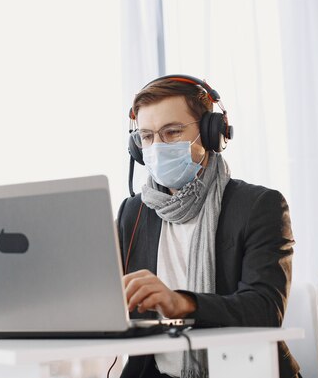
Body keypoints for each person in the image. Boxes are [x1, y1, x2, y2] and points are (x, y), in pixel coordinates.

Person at [117, 75, 300, 378]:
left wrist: (182, 303)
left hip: (244, 371)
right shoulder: (133, 213)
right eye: (147, 137)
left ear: (210, 133)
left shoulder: (260, 206)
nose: (158, 147)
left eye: (172, 132)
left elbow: (265, 310)